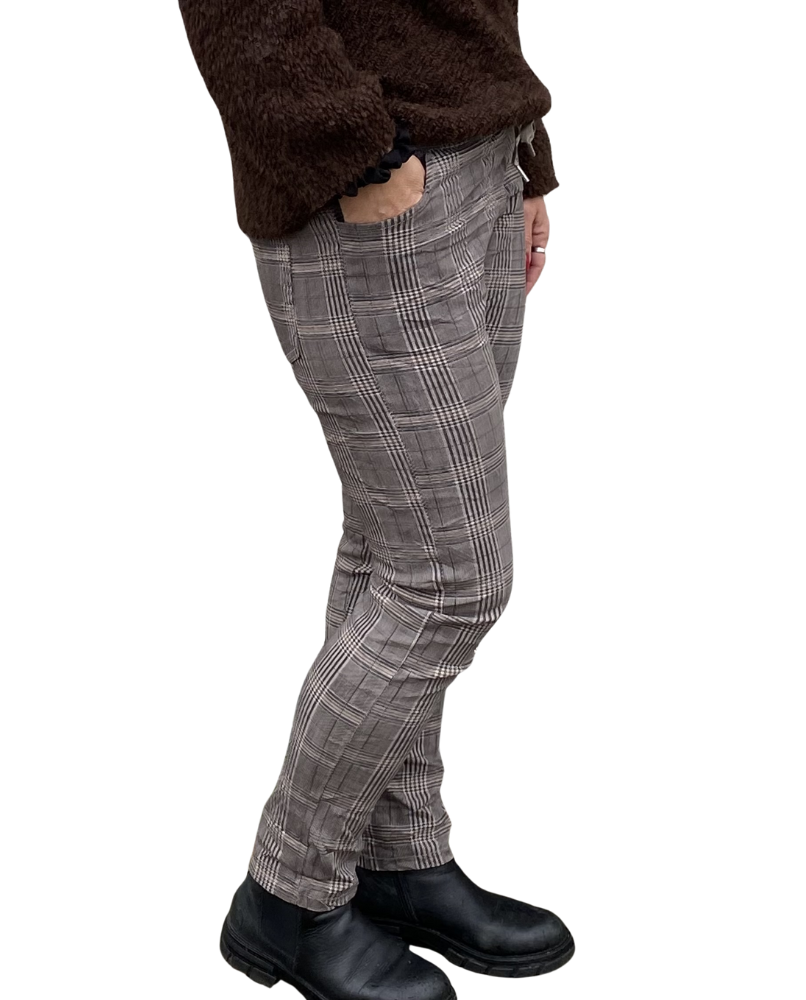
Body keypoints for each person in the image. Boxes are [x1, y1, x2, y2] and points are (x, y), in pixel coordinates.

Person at [177, 2, 573, 997]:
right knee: (448, 579)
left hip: (479, 160)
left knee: (393, 548)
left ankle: (396, 858)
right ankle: (288, 891)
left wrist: (526, 157)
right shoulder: (359, 162)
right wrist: (353, 154)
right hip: (371, 190)